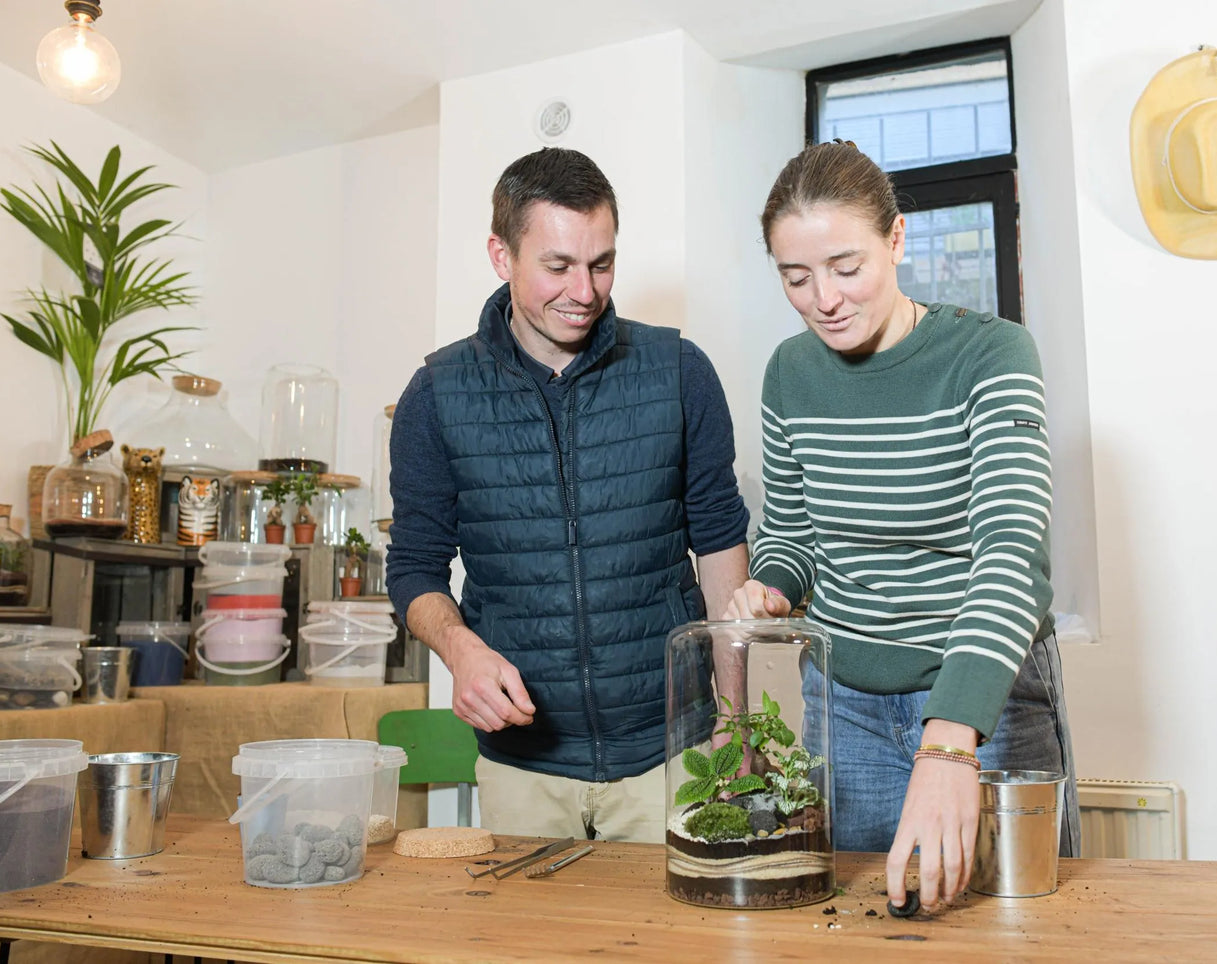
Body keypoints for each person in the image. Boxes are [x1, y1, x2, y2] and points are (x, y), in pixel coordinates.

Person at [725, 141, 1079, 910]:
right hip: (841, 703)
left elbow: (1012, 555)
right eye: (796, 277)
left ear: (896, 239)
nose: (823, 298)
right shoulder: (789, 373)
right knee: (866, 922)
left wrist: (950, 740)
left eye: (845, 267)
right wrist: (771, 583)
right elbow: (792, 532)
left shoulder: (990, 353)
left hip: (981, 695)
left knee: (1015, 925)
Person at [387, 147, 750, 843]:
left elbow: (720, 544)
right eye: (557, 266)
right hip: (524, 767)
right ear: (502, 255)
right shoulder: (436, 395)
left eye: (602, 262)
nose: (584, 290)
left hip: (673, 755)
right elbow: (413, 569)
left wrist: (731, 724)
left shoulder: (680, 371)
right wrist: (460, 650)